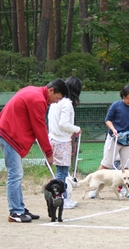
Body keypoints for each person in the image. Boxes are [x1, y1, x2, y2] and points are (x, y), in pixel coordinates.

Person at [0, 79, 69, 223]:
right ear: (51, 90)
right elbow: (39, 127)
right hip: (9, 135)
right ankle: (15, 212)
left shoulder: (34, 91)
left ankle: (20, 208)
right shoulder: (38, 99)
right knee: (15, 174)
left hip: (8, 133)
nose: (56, 102)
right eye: (57, 98)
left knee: (17, 173)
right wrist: (49, 154)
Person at [48, 76, 82, 209]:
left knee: (59, 172)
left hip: (53, 138)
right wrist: (76, 129)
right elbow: (64, 124)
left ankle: (58, 197)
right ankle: (62, 198)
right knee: (62, 172)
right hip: (62, 141)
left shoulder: (55, 102)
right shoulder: (67, 104)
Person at [99, 84, 129, 170]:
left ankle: (124, 183)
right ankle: (93, 182)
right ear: (123, 96)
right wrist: (113, 129)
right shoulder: (116, 105)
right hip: (114, 139)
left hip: (127, 141)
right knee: (106, 165)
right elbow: (108, 120)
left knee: (127, 168)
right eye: (127, 98)